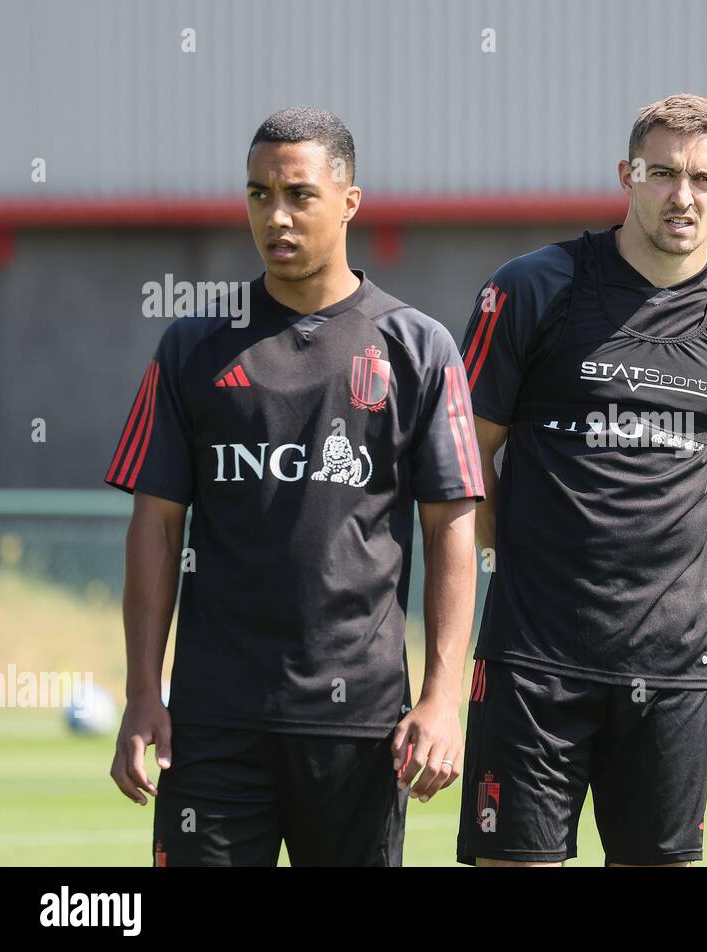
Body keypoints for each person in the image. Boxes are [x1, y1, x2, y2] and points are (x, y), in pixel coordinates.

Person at [105, 106, 483, 866]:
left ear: (349, 202)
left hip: (358, 726)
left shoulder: (417, 346)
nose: (276, 216)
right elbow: (154, 526)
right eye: (258, 195)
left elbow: (452, 529)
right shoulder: (192, 346)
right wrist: (143, 690)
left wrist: (443, 699)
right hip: (213, 725)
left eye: (299, 195)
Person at [456, 93, 707, 867]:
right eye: (661, 173)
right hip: (530, 665)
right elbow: (463, 462)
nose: (681, 195)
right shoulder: (530, 289)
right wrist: (518, 562)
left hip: (672, 676)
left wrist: (670, 597)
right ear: (627, 175)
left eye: (702, 179)